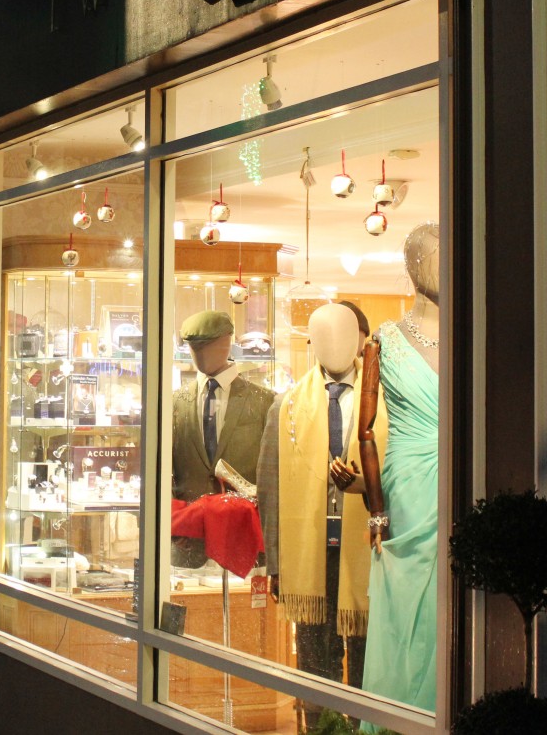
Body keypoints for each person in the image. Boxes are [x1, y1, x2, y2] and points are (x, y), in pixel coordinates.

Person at [256, 303, 388, 727]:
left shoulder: (385, 403)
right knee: (317, 664)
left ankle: (365, 728)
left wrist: (366, 489)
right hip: (310, 555)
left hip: (368, 551)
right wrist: (276, 563)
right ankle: (321, 729)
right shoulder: (288, 406)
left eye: (344, 334)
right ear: (311, 343)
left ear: (359, 340)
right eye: (323, 336)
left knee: (369, 659)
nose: (334, 345)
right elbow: (270, 487)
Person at [359, 222, 441, 719]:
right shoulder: (383, 340)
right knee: (410, 594)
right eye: (431, 256)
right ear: (412, 267)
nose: (441, 266)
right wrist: (376, 508)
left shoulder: (474, 328)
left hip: (463, 469)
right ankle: (399, 715)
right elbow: (365, 430)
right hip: (407, 480)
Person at [171, 310, 274, 566]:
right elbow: (162, 471)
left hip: (243, 541)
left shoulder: (265, 402)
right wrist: (170, 524)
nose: (199, 354)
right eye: (194, 347)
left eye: (206, 346)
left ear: (226, 342)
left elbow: (273, 476)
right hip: (187, 543)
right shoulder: (173, 402)